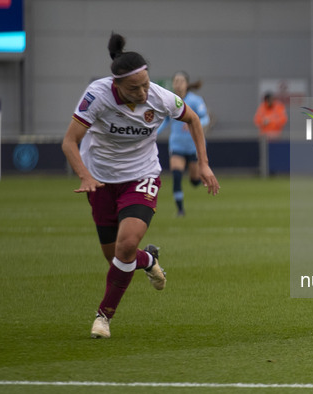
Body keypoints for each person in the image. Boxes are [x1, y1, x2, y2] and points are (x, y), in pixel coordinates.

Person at [61, 33, 220, 339]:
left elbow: (194, 121)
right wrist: (83, 175)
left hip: (141, 176)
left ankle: (103, 317)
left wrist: (203, 163)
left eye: (147, 84)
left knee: (125, 246)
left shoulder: (161, 98)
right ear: (117, 86)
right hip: (101, 180)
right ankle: (149, 260)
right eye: (135, 88)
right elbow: (69, 141)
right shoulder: (97, 96)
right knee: (117, 258)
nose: (144, 91)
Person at [157, 71, 210, 217]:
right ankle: (180, 210)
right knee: (176, 175)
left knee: (194, 181)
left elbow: (205, 119)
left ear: (187, 84)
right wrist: (152, 134)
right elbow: (165, 121)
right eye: (175, 81)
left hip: (194, 146)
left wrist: (194, 122)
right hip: (177, 145)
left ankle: (196, 178)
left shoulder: (195, 100)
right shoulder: (170, 100)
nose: (178, 84)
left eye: (181, 81)